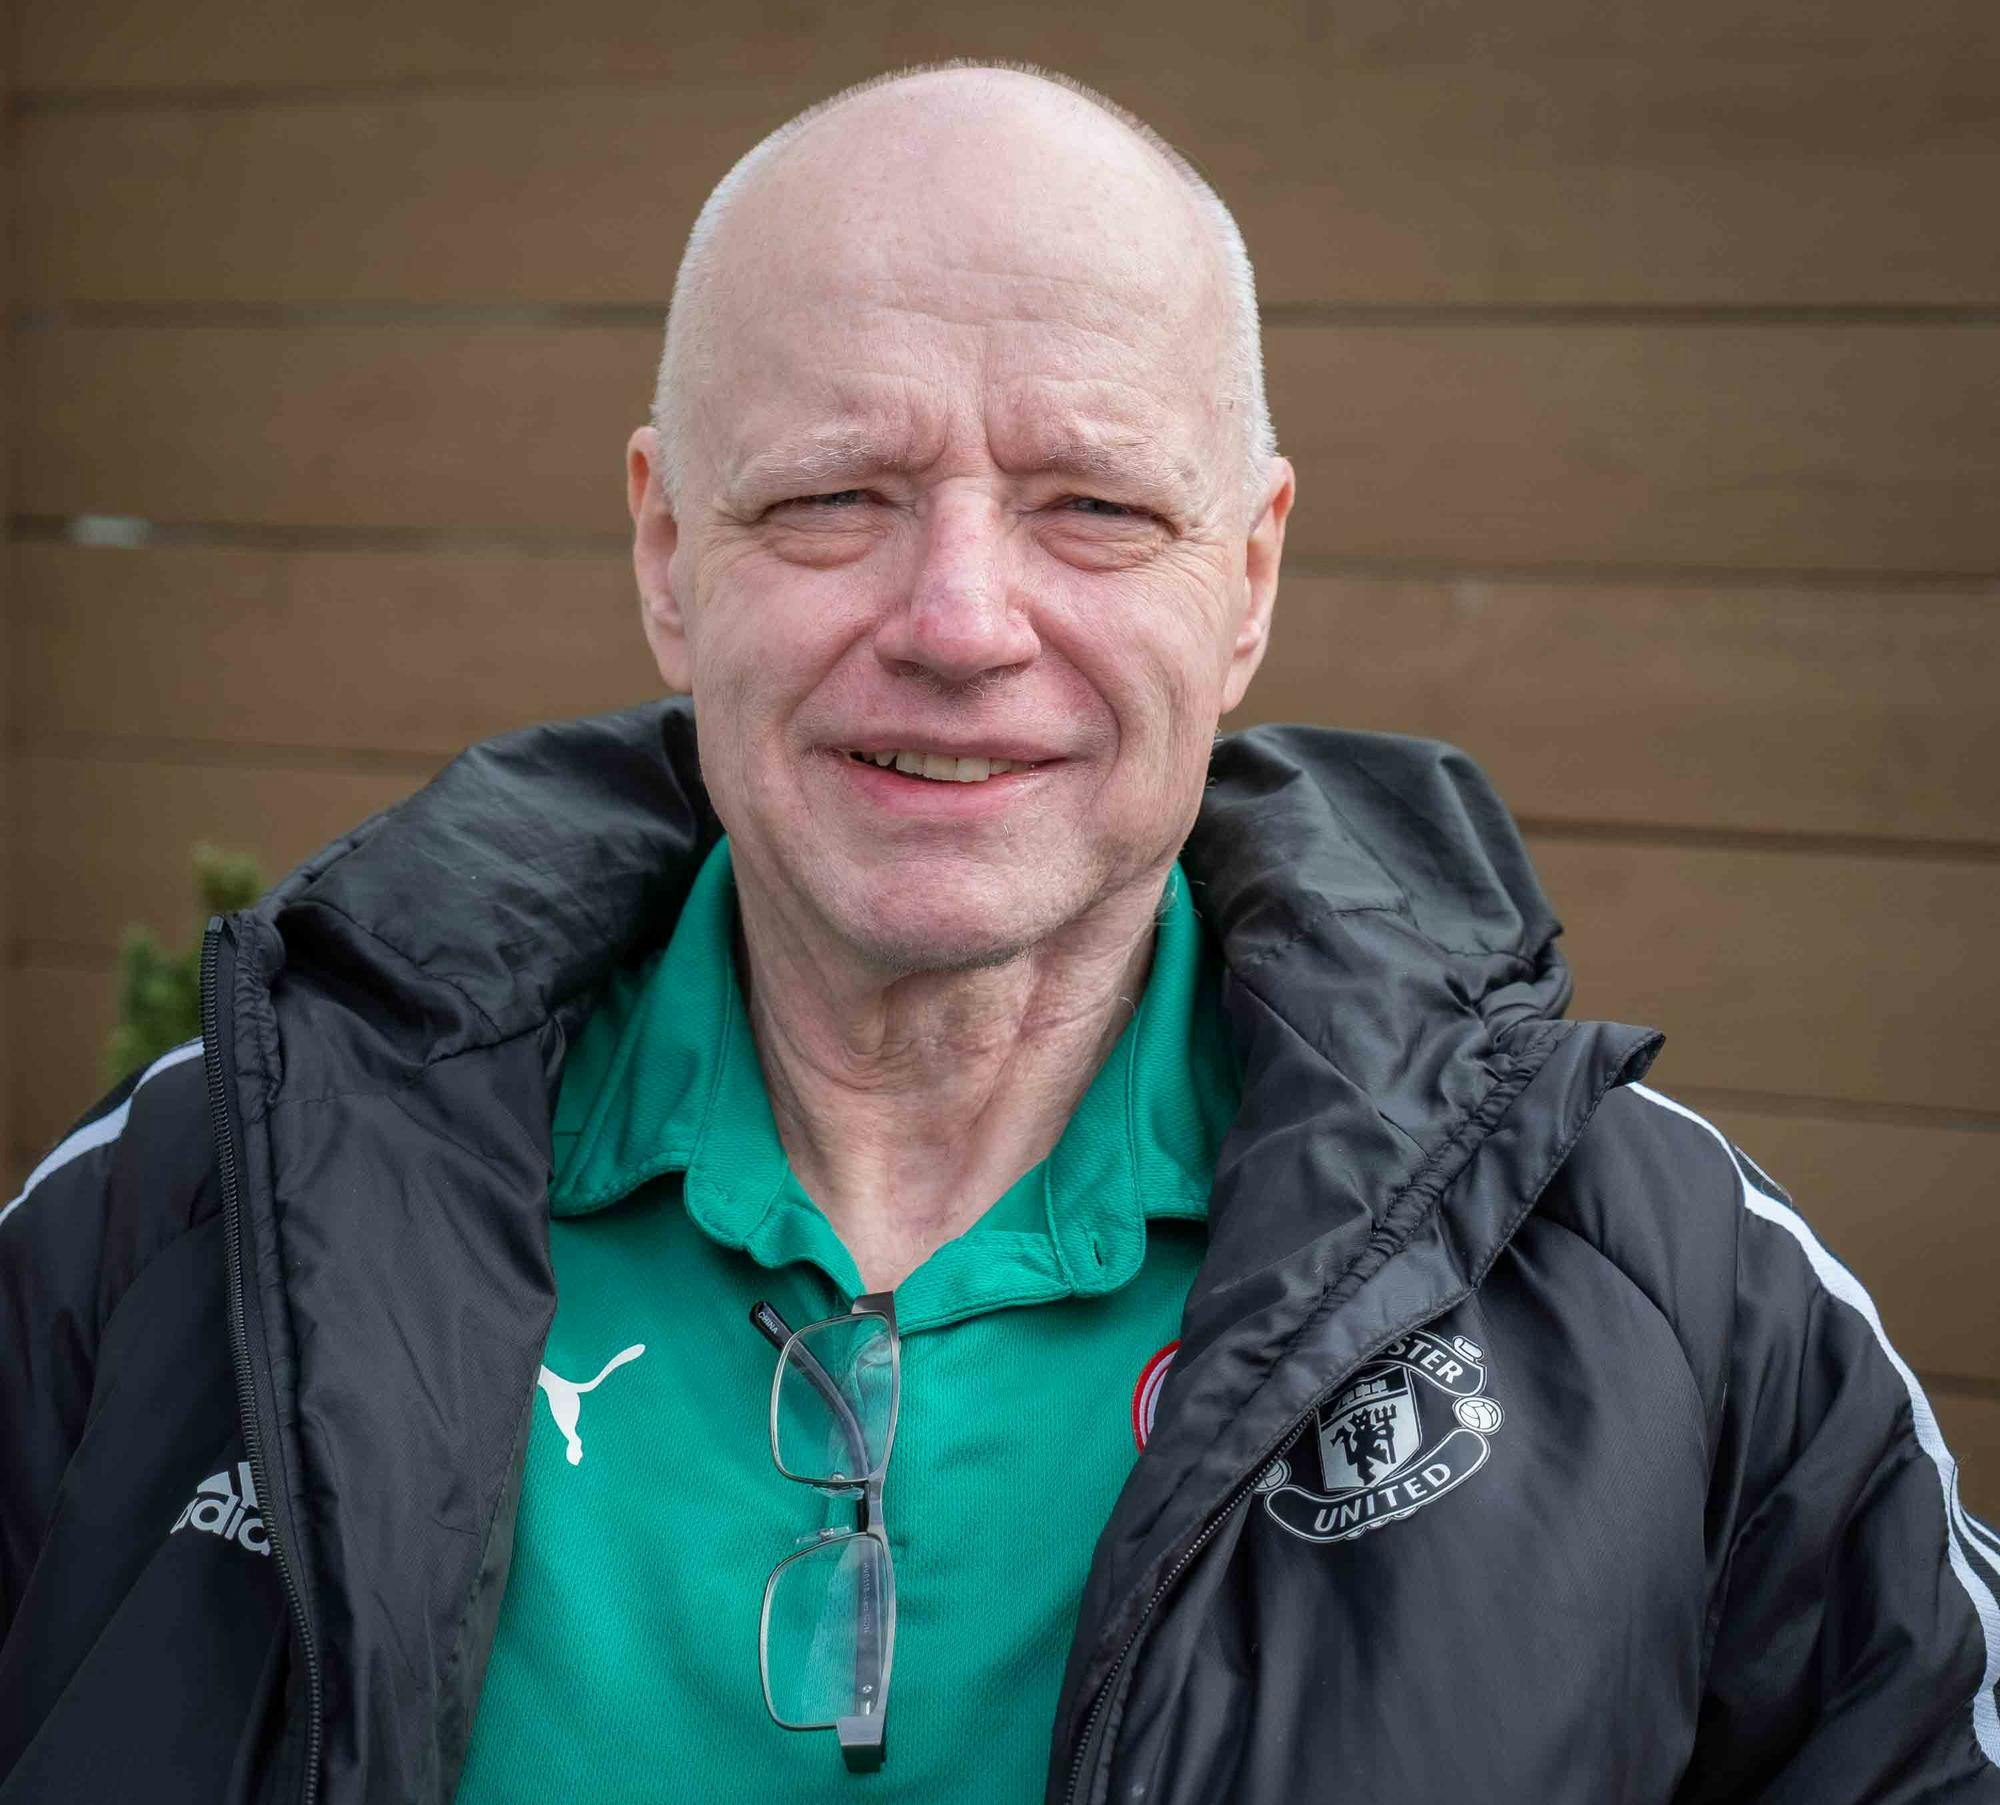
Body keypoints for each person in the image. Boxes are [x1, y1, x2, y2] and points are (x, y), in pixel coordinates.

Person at [1, 60, 1995, 1805]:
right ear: (665, 552)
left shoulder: (1667, 1294)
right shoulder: (177, 1224)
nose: (959, 622)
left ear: (1247, 575)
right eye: (833, 497)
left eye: (1093, 508)